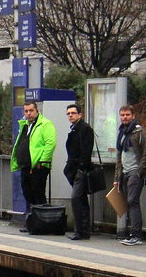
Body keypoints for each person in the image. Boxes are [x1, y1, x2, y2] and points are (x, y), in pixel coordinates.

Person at [113, 104, 146, 246]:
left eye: (127, 115)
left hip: (135, 172)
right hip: (125, 172)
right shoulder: (122, 133)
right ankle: (132, 234)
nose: (124, 117)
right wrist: (116, 178)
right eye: (122, 115)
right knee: (129, 202)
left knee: (133, 201)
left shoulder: (139, 132)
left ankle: (136, 235)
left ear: (133, 116)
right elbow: (119, 157)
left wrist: (139, 172)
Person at [9, 101, 56, 232]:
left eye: (31, 111)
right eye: (26, 111)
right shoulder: (25, 125)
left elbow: (50, 144)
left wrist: (42, 161)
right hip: (25, 166)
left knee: (38, 194)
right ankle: (32, 222)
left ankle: (42, 224)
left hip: (38, 167)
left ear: (37, 111)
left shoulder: (45, 124)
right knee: (27, 193)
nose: (28, 113)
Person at [62, 103, 96, 240]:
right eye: (68, 113)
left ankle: (81, 230)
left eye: (73, 113)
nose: (70, 115)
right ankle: (82, 231)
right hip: (74, 169)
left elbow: (86, 151)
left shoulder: (85, 129)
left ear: (80, 114)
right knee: (80, 199)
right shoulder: (75, 129)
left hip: (80, 170)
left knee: (76, 198)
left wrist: (81, 168)